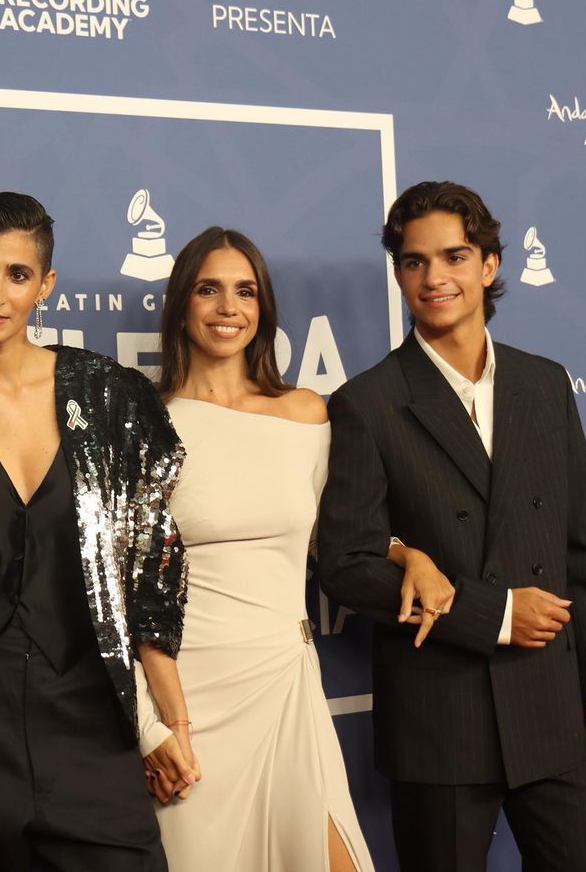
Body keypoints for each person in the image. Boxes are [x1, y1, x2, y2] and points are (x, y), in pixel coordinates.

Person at [317, 181, 586, 871]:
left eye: (454, 257)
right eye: (413, 262)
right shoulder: (366, 404)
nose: (435, 278)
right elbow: (347, 564)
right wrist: (494, 616)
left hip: (552, 710)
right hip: (441, 724)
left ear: (489, 266)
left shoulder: (545, 384)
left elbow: (585, 553)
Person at [0, 192, 193, 872]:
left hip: (89, 719)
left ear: (47, 284)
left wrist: (167, 725)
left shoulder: (112, 396)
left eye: (18, 275)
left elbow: (153, 567)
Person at [136, 226, 376, 871]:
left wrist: (413, 557)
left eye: (245, 292)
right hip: (185, 701)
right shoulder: (144, 422)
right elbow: (114, 589)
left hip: (283, 683)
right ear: (181, 307)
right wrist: (148, 727)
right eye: (208, 290)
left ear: (263, 310)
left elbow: (343, 542)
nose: (227, 308)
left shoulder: (307, 414)